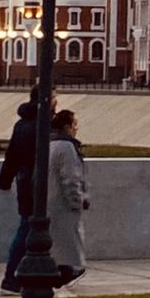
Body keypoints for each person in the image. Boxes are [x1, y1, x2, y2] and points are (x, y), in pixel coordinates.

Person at [0, 90, 54, 295]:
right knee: (29, 229)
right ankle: (13, 278)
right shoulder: (41, 126)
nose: (55, 101)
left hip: (24, 182)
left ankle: (16, 277)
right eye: (54, 96)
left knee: (27, 227)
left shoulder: (21, 124)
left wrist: (5, 180)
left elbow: (11, 155)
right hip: (36, 185)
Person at [49, 107, 88, 288]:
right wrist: (77, 200)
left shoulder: (50, 144)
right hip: (61, 203)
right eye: (74, 125)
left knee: (59, 242)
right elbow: (71, 178)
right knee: (67, 240)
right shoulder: (67, 147)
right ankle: (65, 275)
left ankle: (62, 274)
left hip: (50, 201)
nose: (76, 129)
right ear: (67, 127)